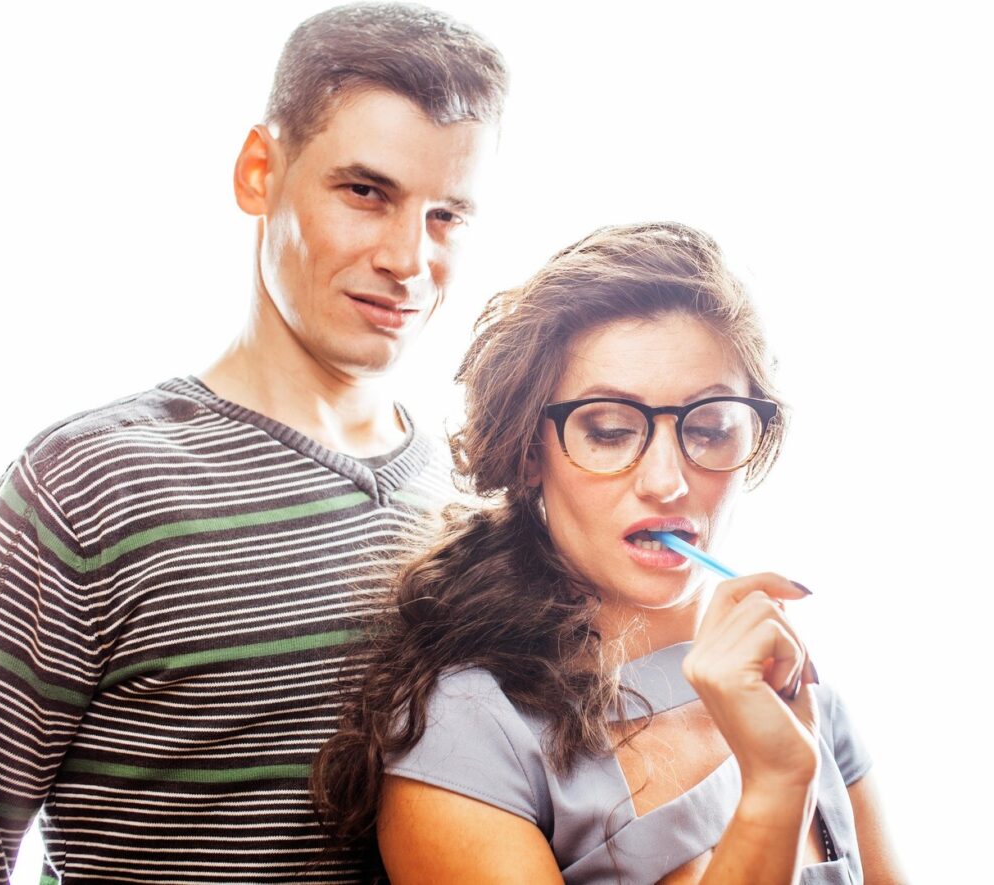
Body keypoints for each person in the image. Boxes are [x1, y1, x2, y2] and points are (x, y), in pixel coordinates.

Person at [0, 4, 506, 883]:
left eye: (446, 214)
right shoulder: (88, 485)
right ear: (260, 171)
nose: (409, 259)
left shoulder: (475, 500)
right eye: (366, 193)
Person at [314, 222, 906, 883]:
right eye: (610, 430)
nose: (667, 481)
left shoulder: (803, 702)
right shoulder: (469, 735)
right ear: (529, 452)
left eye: (711, 428)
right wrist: (773, 789)